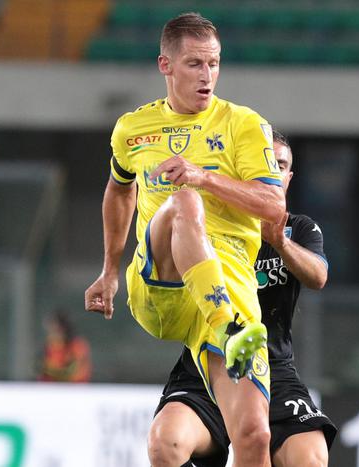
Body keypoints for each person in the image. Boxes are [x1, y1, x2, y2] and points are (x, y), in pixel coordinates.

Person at [84, 12, 285, 467]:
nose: (207, 75)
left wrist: (204, 176)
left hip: (229, 284)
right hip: (163, 284)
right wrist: (109, 270)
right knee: (184, 203)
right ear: (166, 65)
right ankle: (228, 327)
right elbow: (119, 189)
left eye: (214, 63)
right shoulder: (133, 129)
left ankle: (225, 325)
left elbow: (274, 206)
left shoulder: (244, 124)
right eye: (195, 64)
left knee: (254, 435)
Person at [148, 131, 337, 467]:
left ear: (288, 178)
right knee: (166, 444)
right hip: (208, 362)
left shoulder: (300, 229)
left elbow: (318, 276)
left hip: (274, 368)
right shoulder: (207, 223)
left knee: (310, 458)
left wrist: (280, 243)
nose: (273, 172)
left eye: (280, 166)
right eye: (266, 163)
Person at [38, 310, 91, 383]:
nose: (50, 334)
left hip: (74, 388)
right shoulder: (49, 347)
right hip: (51, 388)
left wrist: (48, 369)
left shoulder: (77, 346)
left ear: (61, 329)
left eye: (53, 330)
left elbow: (73, 373)